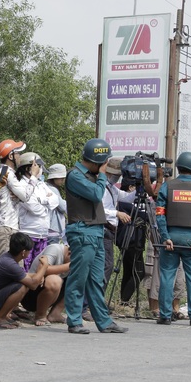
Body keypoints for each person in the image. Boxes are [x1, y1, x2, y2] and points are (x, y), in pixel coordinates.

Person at [63, 138, 128, 335]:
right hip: (83, 231)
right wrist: (101, 175)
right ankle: (74, 320)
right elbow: (96, 194)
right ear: (95, 162)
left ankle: (104, 321)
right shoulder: (75, 176)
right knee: (78, 278)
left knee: (97, 280)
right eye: (104, 163)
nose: (106, 167)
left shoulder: (92, 174)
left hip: (97, 231)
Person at [155, 151, 191, 327]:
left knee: (166, 276)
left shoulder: (167, 186)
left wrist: (165, 236)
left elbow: (160, 212)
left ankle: (165, 315)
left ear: (178, 167)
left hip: (171, 238)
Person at [0, 232, 49, 329]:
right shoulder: (8, 263)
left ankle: (5, 315)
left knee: (24, 282)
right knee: (22, 286)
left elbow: (26, 275)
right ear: (23, 252)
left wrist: (38, 275)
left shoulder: (8, 259)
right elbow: (33, 285)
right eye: (29, 251)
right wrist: (44, 266)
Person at [0, 139, 39, 258]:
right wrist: (33, 176)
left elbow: (21, 195)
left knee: (13, 267)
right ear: (11, 156)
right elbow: (26, 196)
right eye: (17, 153)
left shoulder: (6, 172)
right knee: (4, 266)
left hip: (9, 226)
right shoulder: (6, 172)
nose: (19, 157)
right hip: (6, 227)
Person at [16, 152, 59, 271]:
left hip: (43, 235)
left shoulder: (41, 184)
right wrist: (46, 202)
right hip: (28, 235)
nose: (40, 169)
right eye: (37, 166)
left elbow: (55, 200)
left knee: (39, 269)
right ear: (27, 168)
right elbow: (34, 208)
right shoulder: (21, 185)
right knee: (25, 270)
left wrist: (42, 200)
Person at [101, 157, 134, 290]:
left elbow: (126, 197)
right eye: (115, 175)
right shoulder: (102, 187)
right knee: (107, 266)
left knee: (106, 265)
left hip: (109, 232)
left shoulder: (111, 188)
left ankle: (95, 300)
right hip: (104, 229)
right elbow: (99, 209)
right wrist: (117, 213)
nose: (116, 178)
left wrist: (141, 188)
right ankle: (94, 301)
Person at [21, 241, 70, 326]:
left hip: (52, 295)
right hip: (32, 294)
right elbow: (42, 269)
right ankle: (40, 315)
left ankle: (55, 313)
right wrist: (70, 265)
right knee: (55, 280)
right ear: (69, 253)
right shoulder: (55, 249)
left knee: (80, 279)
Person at [45, 164, 68, 245]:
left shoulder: (45, 186)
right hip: (53, 230)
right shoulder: (52, 189)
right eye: (61, 177)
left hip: (48, 228)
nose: (63, 180)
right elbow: (62, 207)